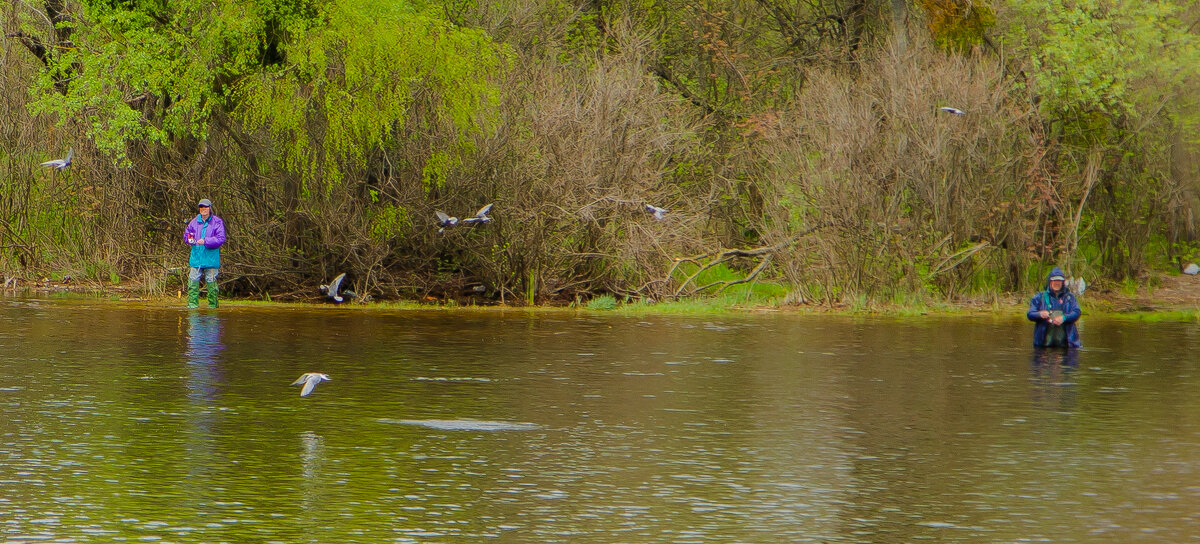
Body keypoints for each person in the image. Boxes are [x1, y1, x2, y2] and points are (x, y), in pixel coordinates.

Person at [184, 198, 226, 308]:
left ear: (210, 208)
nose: (204, 209)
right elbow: (187, 235)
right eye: (202, 207)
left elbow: (221, 239)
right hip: (196, 258)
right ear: (199, 208)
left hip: (211, 258)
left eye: (206, 207)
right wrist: (189, 239)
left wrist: (206, 241)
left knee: (211, 281)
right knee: (193, 281)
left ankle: (213, 306)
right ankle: (192, 306)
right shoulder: (193, 222)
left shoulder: (217, 222)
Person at [1026, 267, 1081, 348]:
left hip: (1068, 346)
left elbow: (1077, 312)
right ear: (1050, 281)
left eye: (1059, 281)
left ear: (1063, 282)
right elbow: (1030, 314)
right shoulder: (1039, 297)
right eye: (1054, 280)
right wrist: (1040, 314)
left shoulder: (1070, 297)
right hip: (1043, 346)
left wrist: (1064, 318)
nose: (1057, 283)